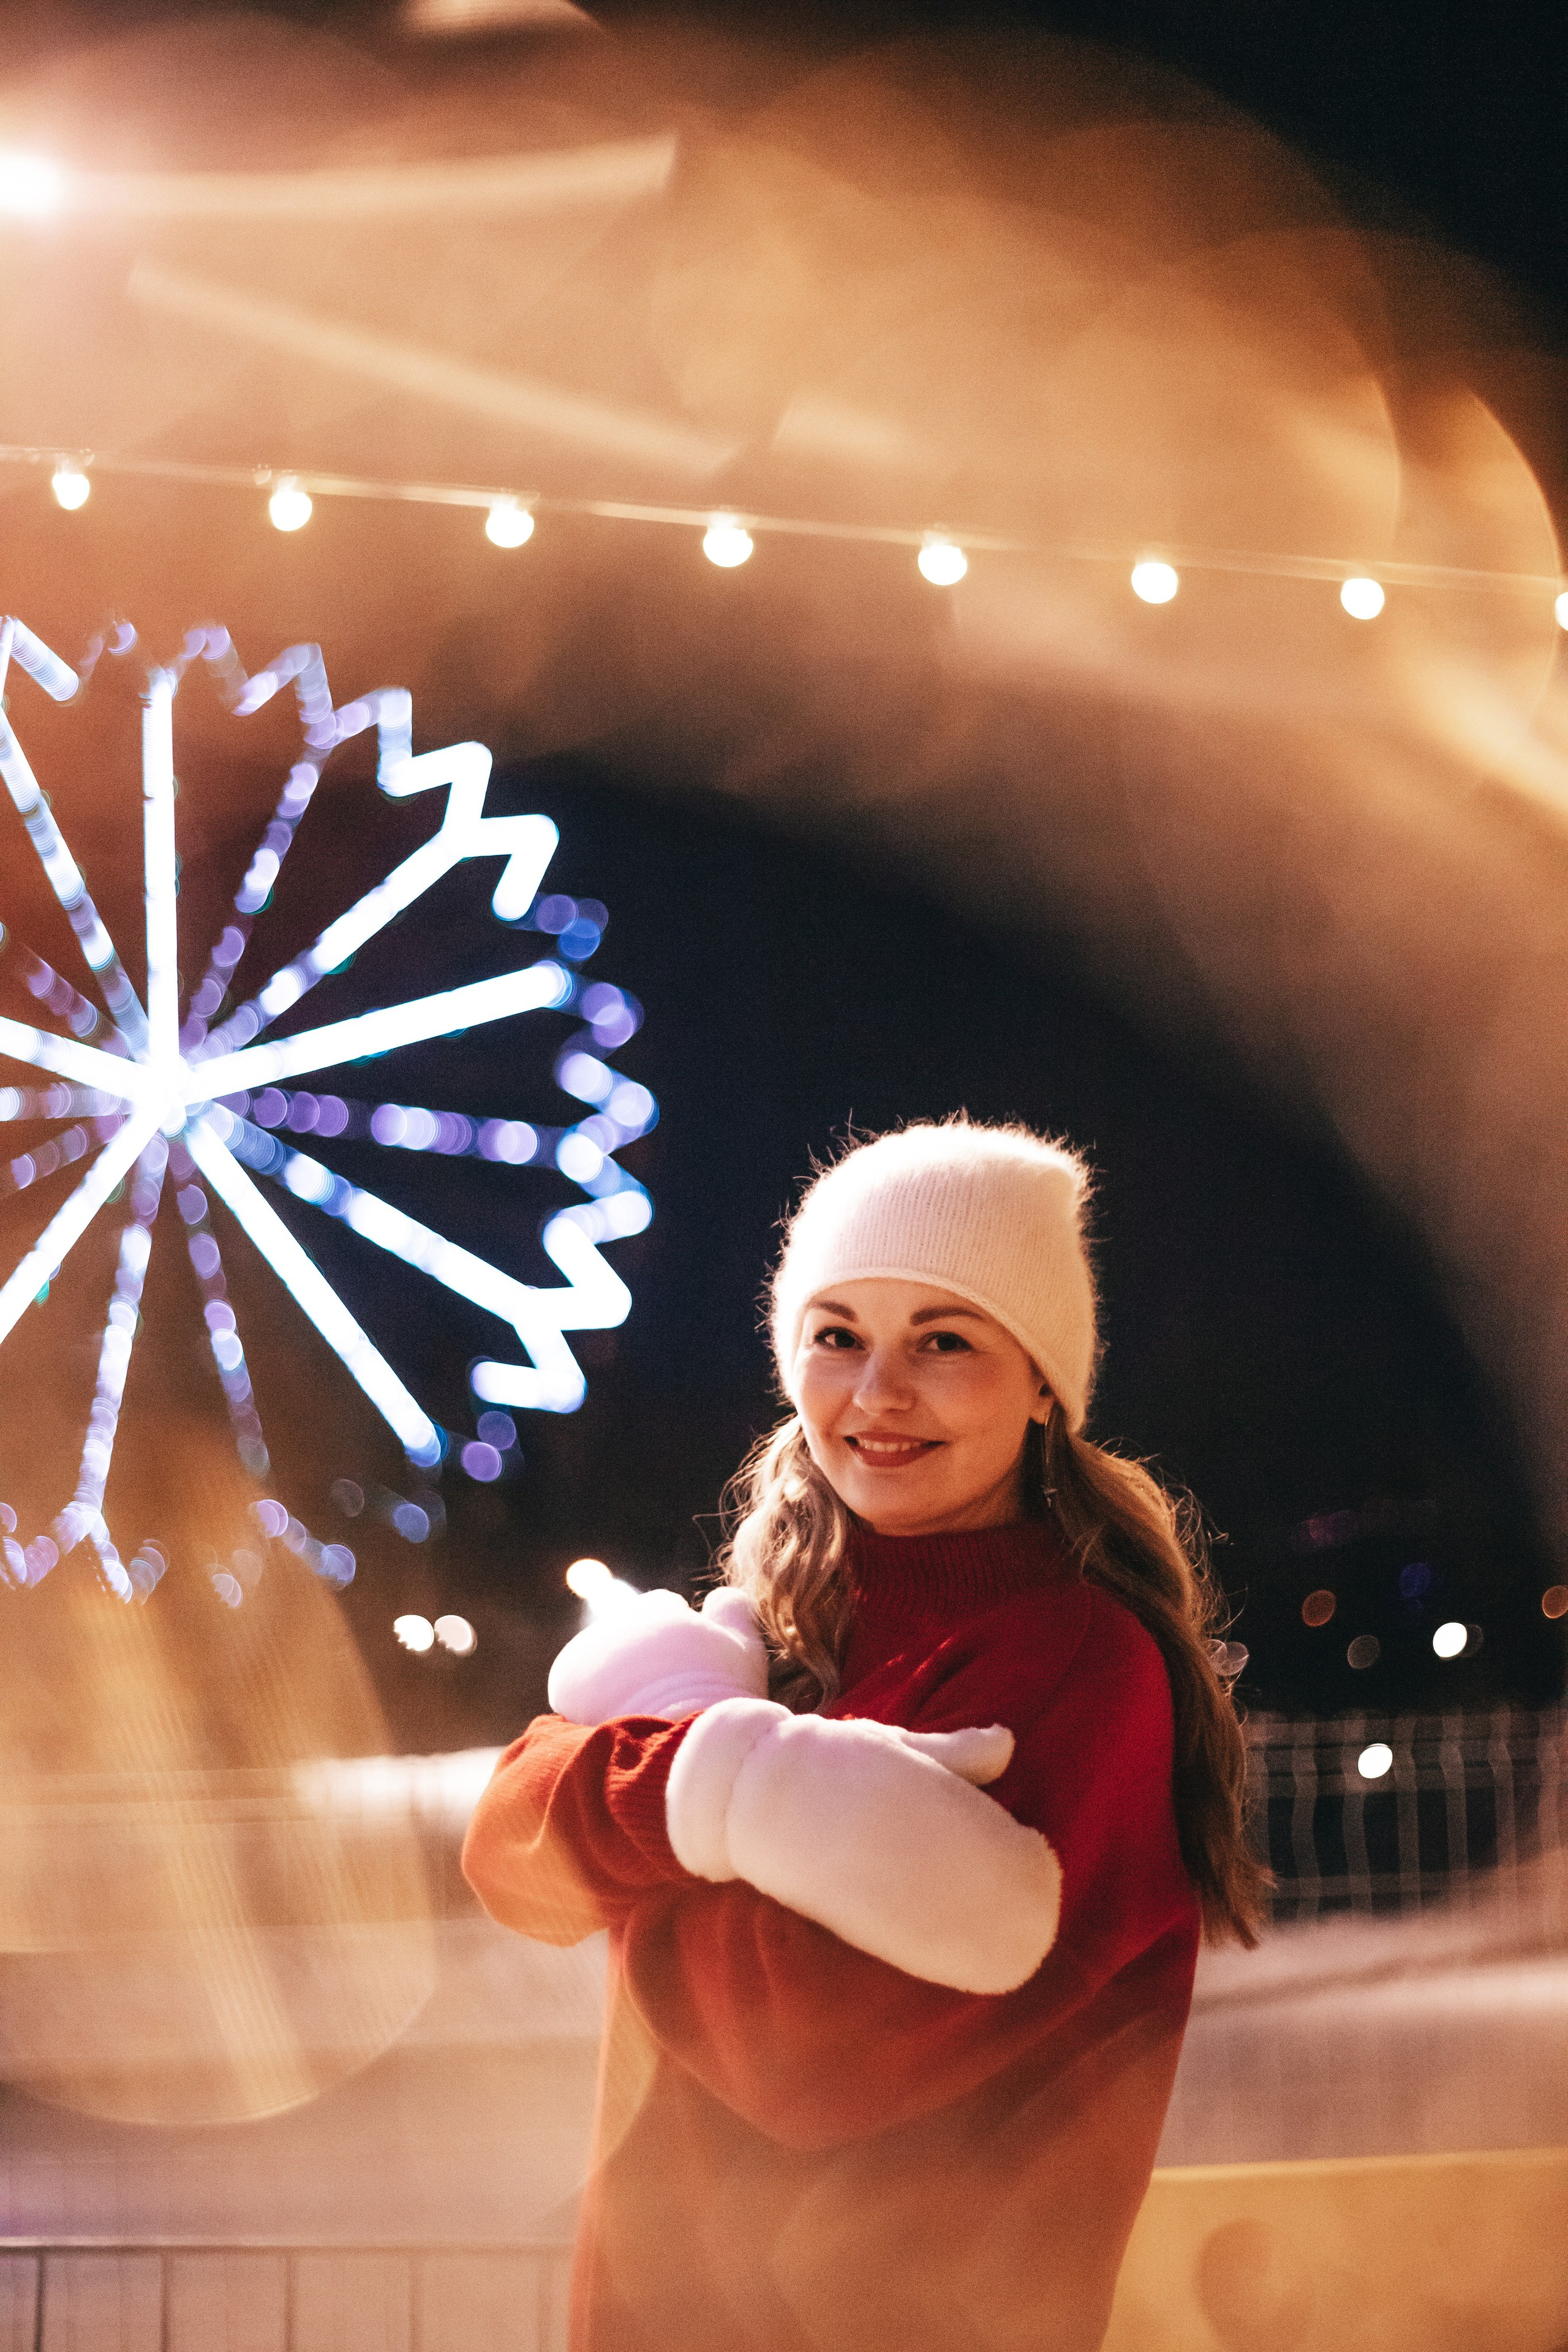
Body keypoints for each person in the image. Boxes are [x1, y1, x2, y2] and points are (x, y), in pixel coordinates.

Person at [463, 1118, 1267, 2352]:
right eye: (837, 1335)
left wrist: (649, 1830)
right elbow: (506, 1853)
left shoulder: (1080, 1669)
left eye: (944, 1341)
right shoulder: (781, 1628)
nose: (878, 1393)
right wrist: (722, 1792)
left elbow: (802, 2056)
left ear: (1043, 1384)